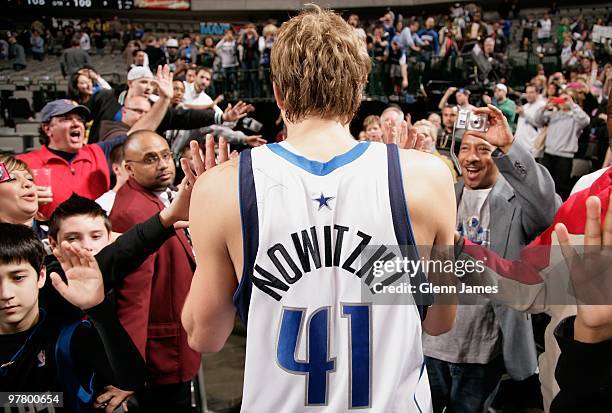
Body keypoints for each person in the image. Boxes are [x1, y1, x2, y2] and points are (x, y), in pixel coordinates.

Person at [181, 5, 457, 412]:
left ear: (277, 92)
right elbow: (440, 322)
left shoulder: (220, 187)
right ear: (360, 87)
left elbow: (204, 337)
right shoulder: (427, 177)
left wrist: (202, 242)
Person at [424, 105, 560, 413]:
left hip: (482, 350)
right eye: (464, 148)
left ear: (497, 154)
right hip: (429, 343)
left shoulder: (517, 201)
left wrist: (510, 146)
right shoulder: (442, 193)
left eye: (483, 149)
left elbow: (547, 210)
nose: (471, 157)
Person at [0, 223, 145, 412]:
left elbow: (132, 380)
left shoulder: (69, 336)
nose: (5, 293)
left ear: (41, 275)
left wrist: (97, 308)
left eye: (18, 278)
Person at [109, 131, 200, 413]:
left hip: (174, 341)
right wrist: (128, 370)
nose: (162, 164)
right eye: (150, 159)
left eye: (164, 155)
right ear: (128, 169)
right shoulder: (134, 212)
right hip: (160, 353)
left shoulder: (153, 199)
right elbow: (133, 297)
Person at [535, 92, 590, 199]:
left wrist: (572, 105)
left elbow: (586, 121)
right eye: (561, 99)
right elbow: (537, 121)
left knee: (560, 188)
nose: (563, 101)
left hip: (565, 157)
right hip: (548, 153)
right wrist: (544, 107)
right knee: (544, 184)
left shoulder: (576, 117)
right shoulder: (554, 114)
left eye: (565, 99)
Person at [515, 84, 547, 156]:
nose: (528, 95)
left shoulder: (542, 106)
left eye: (531, 92)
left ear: (538, 93)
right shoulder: (525, 106)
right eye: (527, 92)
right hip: (520, 145)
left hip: (532, 147)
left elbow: (540, 124)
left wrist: (524, 114)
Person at [96, 145, 129, 214]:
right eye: (129, 166)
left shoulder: (152, 195)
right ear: (116, 169)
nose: (136, 169)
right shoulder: (103, 205)